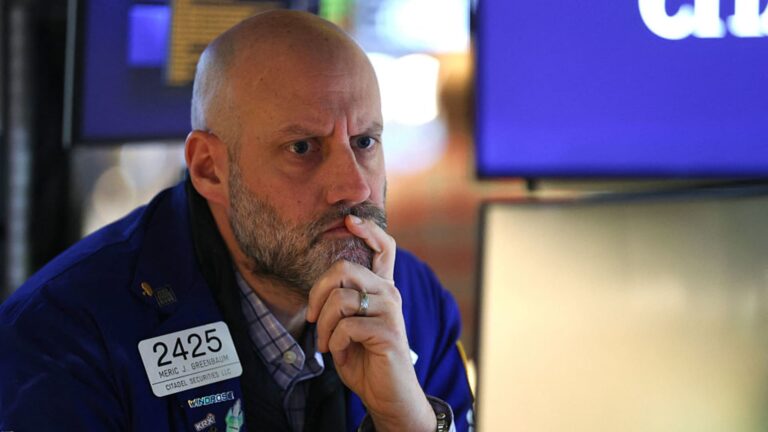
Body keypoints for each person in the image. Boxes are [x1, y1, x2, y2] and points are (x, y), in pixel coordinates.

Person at [0, 10, 473, 431]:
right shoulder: (65, 336)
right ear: (210, 168)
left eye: (364, 142)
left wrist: (407, 422)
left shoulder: (414, 303)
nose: (355, 187)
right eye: (302, 148)